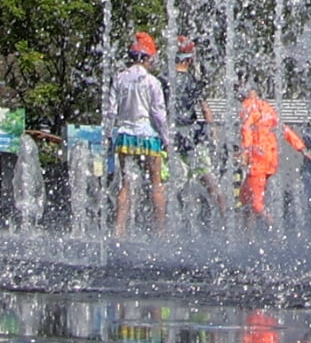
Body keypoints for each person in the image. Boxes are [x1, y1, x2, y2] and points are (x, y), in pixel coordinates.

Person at [106, 32, 171, 237]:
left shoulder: (119, 78)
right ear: (147, 57)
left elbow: (111, 111)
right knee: (156, 182)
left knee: (126, 182)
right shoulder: (152, 82)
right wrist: (166, 138)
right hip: (148, 135)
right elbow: (158, 113)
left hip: (125, 134)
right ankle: (160, 231)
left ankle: (118, 230)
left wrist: (108, 135)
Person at [170, 37, 225, 220]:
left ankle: (164, 226)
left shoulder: (163, 79)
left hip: (171, 137)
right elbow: (205, 109)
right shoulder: (193, 81)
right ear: (190, 59)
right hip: (194, 136)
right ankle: (226, 218)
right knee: (209, 181)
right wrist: (213, 131)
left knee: (167, 183)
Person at [238, 84, 280, 223]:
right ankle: (248, 237)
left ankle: (278, 235)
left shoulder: (248, 106)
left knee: (256, 204)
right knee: (245, 197)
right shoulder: (267, 108)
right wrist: (302, 149)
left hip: (258, 160)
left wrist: (245, 150)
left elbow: (246, 128)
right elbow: (283, 129)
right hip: (269, 158)